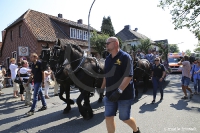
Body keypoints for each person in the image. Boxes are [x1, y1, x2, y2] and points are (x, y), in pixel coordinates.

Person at [101, 37, 140, 133]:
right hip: (110, 94)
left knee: (124, 118)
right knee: (108, 117)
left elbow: (128, 76)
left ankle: (136, 130)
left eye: (108, 43)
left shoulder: (125, 57)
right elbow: (106, 76)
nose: (106, 45)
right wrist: (102, 88)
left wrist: (119, 91)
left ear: (115, 44)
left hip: (124, 95)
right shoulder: (107, 59)